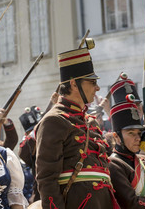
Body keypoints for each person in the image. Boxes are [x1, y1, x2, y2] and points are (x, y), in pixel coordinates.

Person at [34, 40, 118, 208]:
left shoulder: (90, 122)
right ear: (73, 83)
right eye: (92, 82)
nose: (98, 88)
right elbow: (46, 179)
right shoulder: (54, 120)